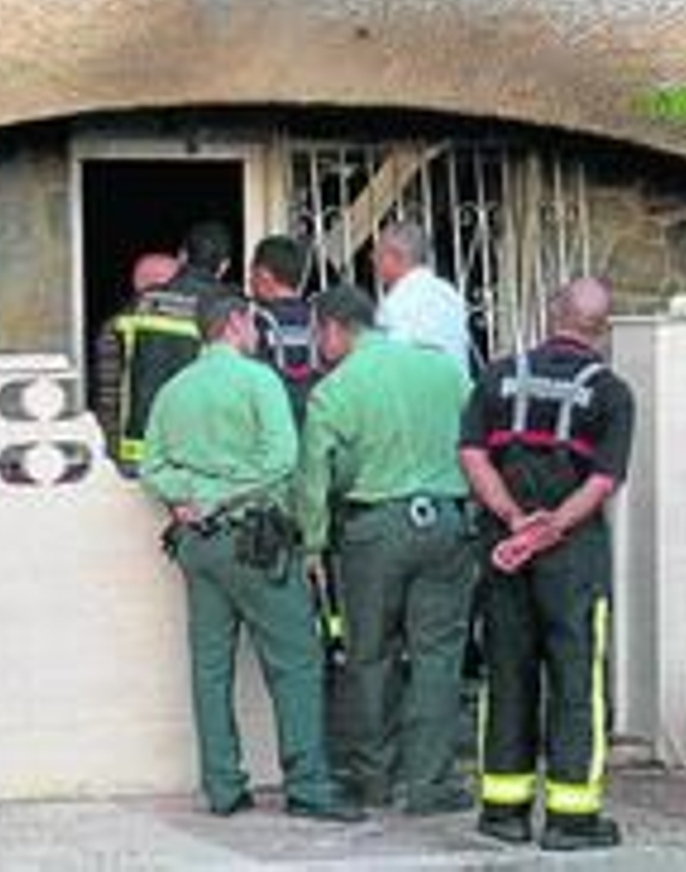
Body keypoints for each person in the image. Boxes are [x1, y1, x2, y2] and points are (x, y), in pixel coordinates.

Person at [140, 293, 363, 824]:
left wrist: (196, 493)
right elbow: (281, 459)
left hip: (197, 544)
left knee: (210, 669)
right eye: (255, 325)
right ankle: (308, 787)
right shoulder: (259, 380)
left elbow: (152, 469)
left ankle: (222, 787)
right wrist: (220, 495)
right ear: (236, 324)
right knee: (296, 663)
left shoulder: (174, 390)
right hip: (255, 541)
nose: (259, 335)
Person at [458, 278, 635, 851]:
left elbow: (472, 454)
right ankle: (570, 819)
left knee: (507, 672)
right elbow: (603, 482)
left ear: (552, 315)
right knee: (576, 681)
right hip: (572, 557)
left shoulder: (497, 376)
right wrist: (551, 527)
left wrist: (515, 520)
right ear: (601, 331)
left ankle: (503, 811)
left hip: (505, 551)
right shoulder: (611, 392)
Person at [295, 284, 476, 815]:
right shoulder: (444, 370)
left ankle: (375, 779)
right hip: (445, 523)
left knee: (370, 656)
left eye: (317, 334)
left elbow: (314, 476)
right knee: (437, 656)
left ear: (334, 329)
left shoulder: (334, 390)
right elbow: (477, 439)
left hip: (373, 531)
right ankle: (430, 783)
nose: (317, 345)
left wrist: (313, 544)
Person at [105, 222, 233, 471]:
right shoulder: (230, 310)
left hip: (140, 450)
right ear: (225, 265)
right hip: (203, 456)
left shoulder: (141, 302)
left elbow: (110, 375)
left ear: (182, 256)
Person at [93, 252, 179, 470]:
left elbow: (107, 398)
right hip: (168, 455)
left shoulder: (116, 324)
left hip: (130, 453)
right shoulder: (191, 328)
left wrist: (112, 448)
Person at [373, 221, 472, 374]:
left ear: (398, 256)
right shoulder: (448, 292)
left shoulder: (398, 301)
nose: (374, 260)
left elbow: (394, 360)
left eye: (379, 255)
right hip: (455, 385)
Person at [246, 235, 320, 423]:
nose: (249, 280)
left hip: (271, 424)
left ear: (264, 275)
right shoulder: (320, 320)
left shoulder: (256, 322)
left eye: (251, 272)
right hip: (313, 422)